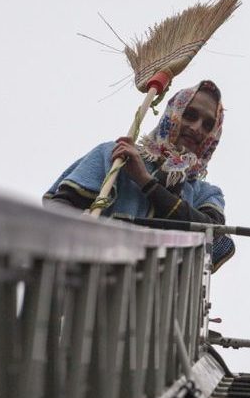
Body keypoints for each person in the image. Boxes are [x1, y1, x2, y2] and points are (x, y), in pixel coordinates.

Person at [44, 79, 235, 270]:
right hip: (89, 280)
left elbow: (212, 233)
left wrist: (145, 181)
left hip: (155, 296)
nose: (196, 128)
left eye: (207, 125)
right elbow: (59, 207)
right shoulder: (116, 156)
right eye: (190, 115)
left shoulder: (207, 194)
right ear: (173, 113)